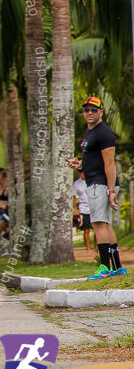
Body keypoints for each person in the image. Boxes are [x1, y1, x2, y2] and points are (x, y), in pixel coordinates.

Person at [67, 96, 125, 278]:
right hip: (94, 181)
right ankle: (117, 268)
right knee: (105, 225)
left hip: (100, 184)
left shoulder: (103, 132)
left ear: (101, 112)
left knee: (98, 224)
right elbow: (94, 160)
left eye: (93, 110)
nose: (89, 113)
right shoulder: (90, 132)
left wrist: (111, 190)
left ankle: (104, 269)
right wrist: (80, 165)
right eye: (86, 110)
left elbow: (109, 163)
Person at [72, 170, 93, 255]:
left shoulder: (92, 180)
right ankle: (88, 248)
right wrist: (75, 209)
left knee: (97, 229)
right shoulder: (76, 184)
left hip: (94, 207)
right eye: (81, 173)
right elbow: (74, 197)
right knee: (86, 229)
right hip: (83, 208)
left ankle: (96, 247)